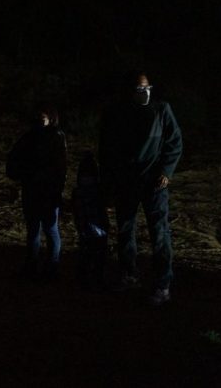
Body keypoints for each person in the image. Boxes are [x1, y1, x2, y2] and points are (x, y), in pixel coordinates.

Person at [99, 73, 183, 305]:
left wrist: (166, 171)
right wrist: (109, 186)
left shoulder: (161, 110)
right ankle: (129, 274)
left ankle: (163, 284)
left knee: (159, 232)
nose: (145, 92)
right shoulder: (118, 113)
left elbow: (175, 141)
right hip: (127, 181)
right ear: (130, 91)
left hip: (154, 183)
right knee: (125, 229)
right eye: (139, 88)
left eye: (147, 88)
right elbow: (107, 151)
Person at [6, 103, 67, 280]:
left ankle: (51, 267)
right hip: (32, 189)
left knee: (49, 228)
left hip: (47, 190)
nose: (41, 121)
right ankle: (33, 266)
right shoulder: (31, 137)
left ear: (51, 118)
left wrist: (57, 189)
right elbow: (15, 158)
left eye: (44, 118)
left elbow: (60, 168)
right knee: (34, 229)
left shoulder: (55, 137)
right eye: (39, 118)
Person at [72, 152, 109, 290]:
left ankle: (83, 278)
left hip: (84, 228)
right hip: (98, 229)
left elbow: (76, 211)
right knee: (99, 255)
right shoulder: (98, 191)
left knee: (85, 253)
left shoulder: (78, 192)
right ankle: (97, 278)